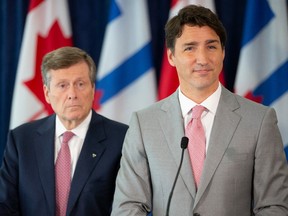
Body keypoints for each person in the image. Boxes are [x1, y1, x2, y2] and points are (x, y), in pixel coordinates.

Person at [111, 5, 288, 216]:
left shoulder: (259, 121)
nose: (202, 59)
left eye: (211, 47)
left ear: (223, 52)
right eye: (190, 48)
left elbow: (273, 207)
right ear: (171, 57)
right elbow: (128, 206)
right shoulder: (144, 123)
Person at [0, 46, 128, 216]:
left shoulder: (122, 139)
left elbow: (127, 207)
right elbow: (5, 205)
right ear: (47, 93)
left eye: (80, 84)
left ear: (92, 88)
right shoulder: (21, 140)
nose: (72, 94)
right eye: (62, 85)